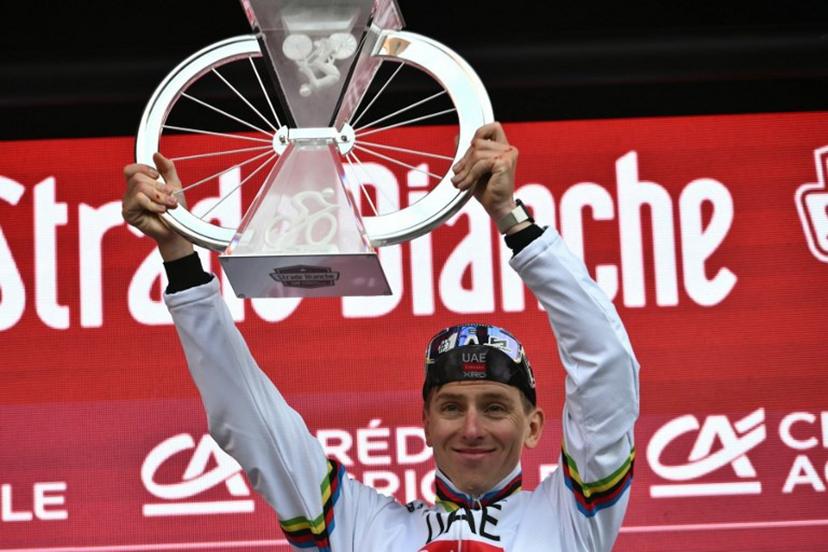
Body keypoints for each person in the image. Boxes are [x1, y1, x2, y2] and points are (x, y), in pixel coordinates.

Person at [122, 122, 639, 551]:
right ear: (426, 423)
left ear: (533, 427)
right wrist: (178, 255)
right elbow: (251, 421)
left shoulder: (573, 519)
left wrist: (512, 219)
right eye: (453, 407)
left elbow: (606, 363)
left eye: (497, 407)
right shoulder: (363, 528)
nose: (473, 427)